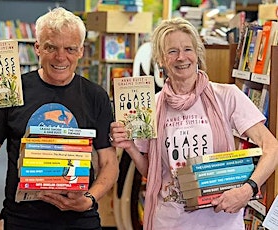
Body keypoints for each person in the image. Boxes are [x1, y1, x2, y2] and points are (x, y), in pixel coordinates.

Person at [109, 17, 278, 230]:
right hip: (170, 222)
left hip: (220, 221)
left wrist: (247, 190)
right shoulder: (151, 105)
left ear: (197, 53)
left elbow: (272, 148)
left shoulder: (226, 96)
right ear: (161, 59)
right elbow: (152, 172)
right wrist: (130, 147)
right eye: (172, 51)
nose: (181, 58)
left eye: (187, 49)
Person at [0, 7, 119, 230]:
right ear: (37, 48)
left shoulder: (95, 96)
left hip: (80, 220)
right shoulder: (11, 92)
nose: (61, 57)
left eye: (70, 49)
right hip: (23, 220)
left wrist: (89, 199)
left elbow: (109, 162)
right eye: (51, 47)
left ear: (81, 51)